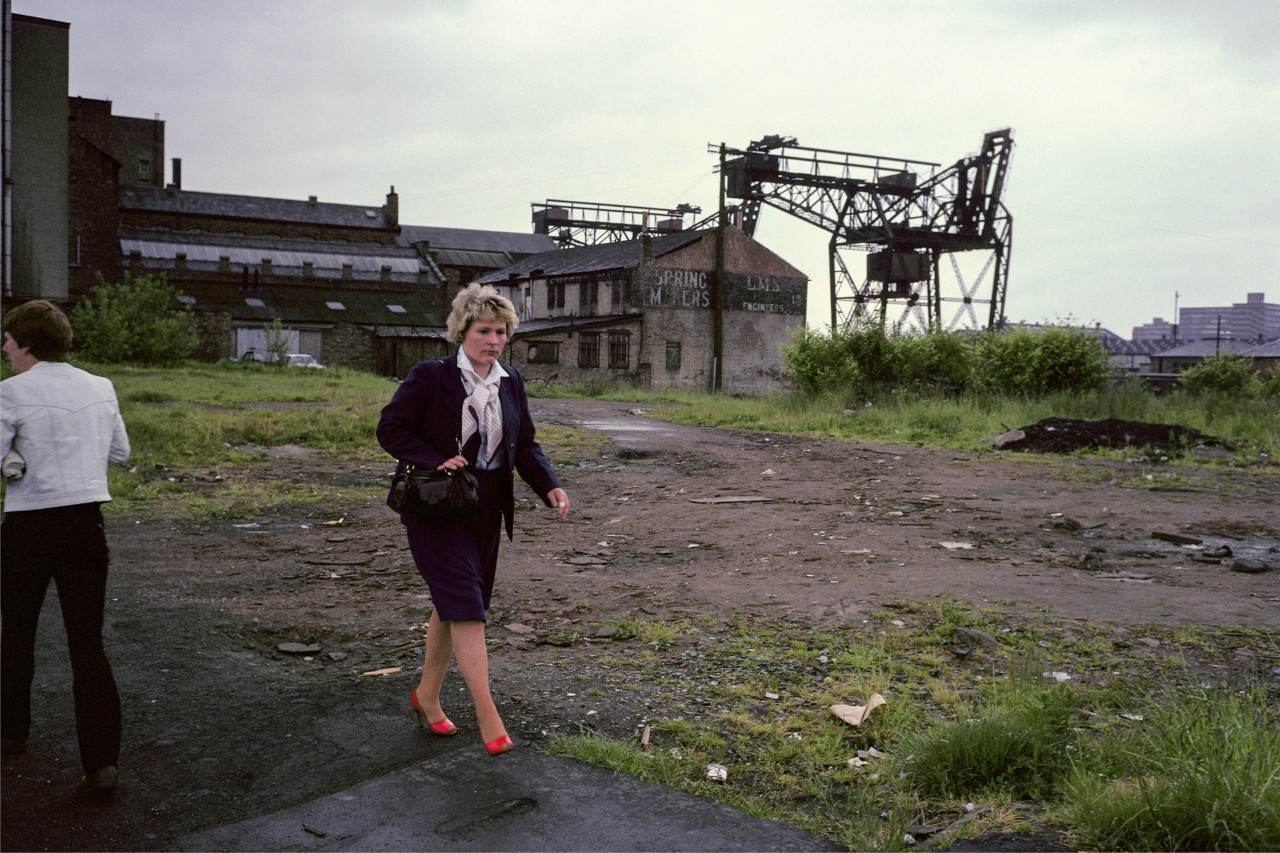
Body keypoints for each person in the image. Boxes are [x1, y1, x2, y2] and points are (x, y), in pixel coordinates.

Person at [377, 283, 569, 755]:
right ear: (462, 330)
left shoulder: (510, 381)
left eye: (501, 332)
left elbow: (525, 444)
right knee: (466, 605)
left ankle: (426, 696)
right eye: (484, 330)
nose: (494, 340)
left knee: (457, 603)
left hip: (486, 508)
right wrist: (435, 458)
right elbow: (390, 429)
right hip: (436, 505)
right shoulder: (431, 376)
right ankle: (488, 714)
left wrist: (549, 485)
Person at [1, 300, 131, 797]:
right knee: (87, 643)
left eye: (8, 343)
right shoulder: (101, 386)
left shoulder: (11, 392)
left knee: (17, 631)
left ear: (27, 345)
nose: (5, 351)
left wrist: (14, 461)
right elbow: (120, 452)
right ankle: (101, 763)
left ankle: (11, 732)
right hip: (85, 524)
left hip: (29, 525)